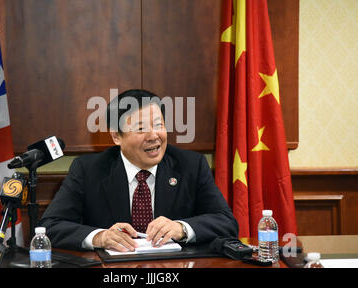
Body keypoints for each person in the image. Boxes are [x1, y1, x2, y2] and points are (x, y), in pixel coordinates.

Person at [39, 89, 238, 252]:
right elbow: (50, 227)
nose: (154, 136)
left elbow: (226, 222)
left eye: (159, 125)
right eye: (141, 128)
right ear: (117, 136)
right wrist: (100, 237)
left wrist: (182, 228)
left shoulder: (190, 165)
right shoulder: (89, 170)